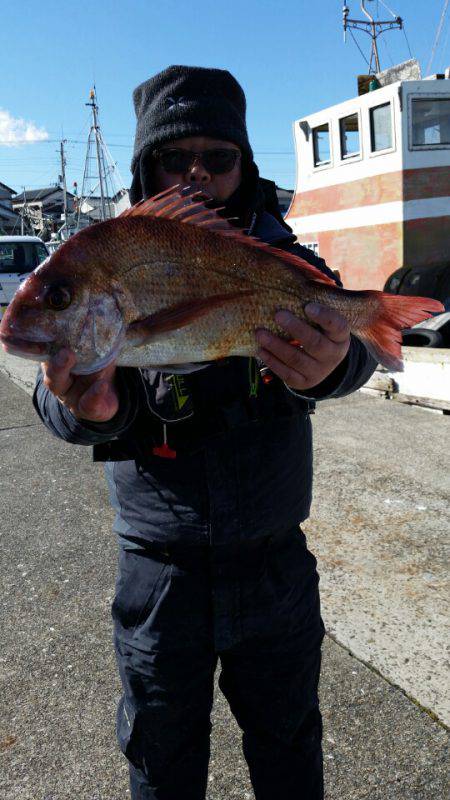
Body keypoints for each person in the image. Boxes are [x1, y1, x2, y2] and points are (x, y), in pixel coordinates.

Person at [33, 65, 377, 800]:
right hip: (159, 572)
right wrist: (85, 410)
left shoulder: (288, 261)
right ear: (145, 168)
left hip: (275, 563)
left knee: (290, 750)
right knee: (161, 761)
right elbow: (51, 398)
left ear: (244, 166)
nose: (197, 174)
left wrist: (332, 366)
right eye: (173, 158)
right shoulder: (108, 258)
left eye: (218, 157)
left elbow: (358, 348)